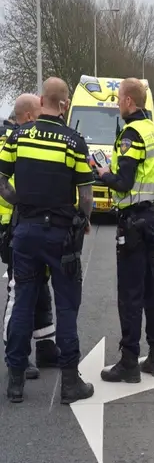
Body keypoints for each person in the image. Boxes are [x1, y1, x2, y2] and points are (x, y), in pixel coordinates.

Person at [0, 77, 95, 404]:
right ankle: (70, 383)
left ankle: (15, 382)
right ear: (65, 103)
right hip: (60, 235)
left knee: (24, 300)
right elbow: (86, 194)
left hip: (25, 232)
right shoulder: (74, 142)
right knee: (67, 304)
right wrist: (82, 220)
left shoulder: (18, 136)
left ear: (42, 100)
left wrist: (20, 204)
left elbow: (1, 181)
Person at [96, 78, 154, 383]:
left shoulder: (131, 134)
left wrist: (103, 174)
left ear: (128, 101)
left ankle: (128, 363)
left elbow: (124, 182)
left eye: (118, 99)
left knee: (129, 293)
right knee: (152, 289)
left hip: (133, 221)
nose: (116, 104)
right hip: (152, 218)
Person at [0, 94, 59, 381]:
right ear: (27, 117)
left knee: (40, 285)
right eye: (39, 114)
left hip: (25, 224)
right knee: (18, 290)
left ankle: (46, 346)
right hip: (11, 225)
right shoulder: (12, 142)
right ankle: (17, 355)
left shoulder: (26, 138)